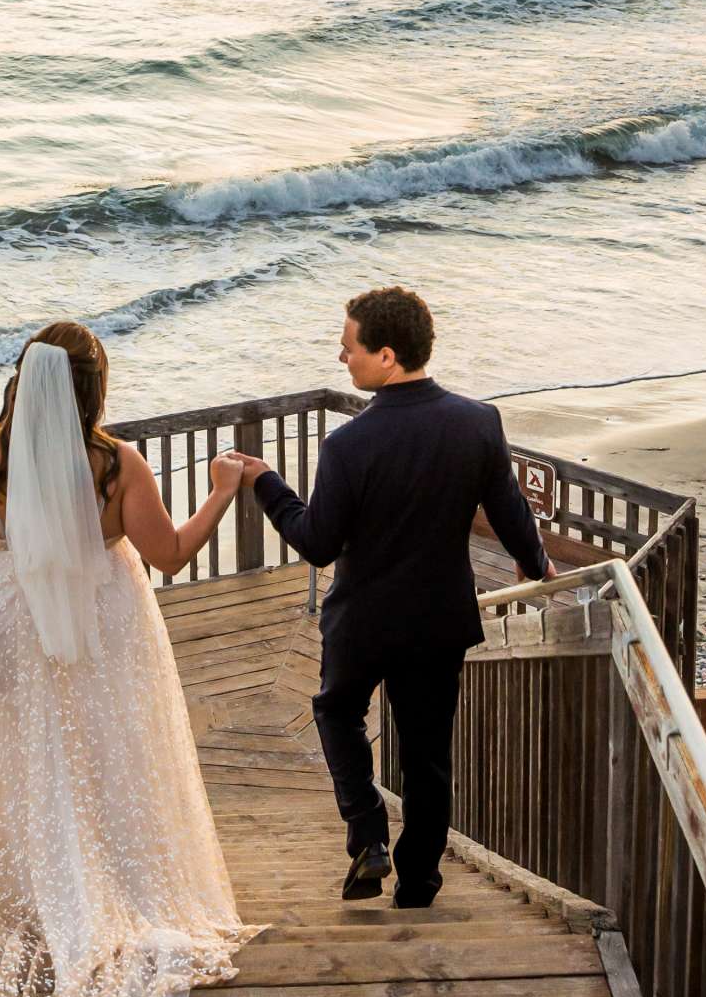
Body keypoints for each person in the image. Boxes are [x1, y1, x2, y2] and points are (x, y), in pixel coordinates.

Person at [0, 321, 260, 997]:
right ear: (92, 385)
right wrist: (223, 492)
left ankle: (48, 891)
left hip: (6, 625)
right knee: (105, 754)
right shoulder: (115, 465)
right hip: (101, 625)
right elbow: (169, 555)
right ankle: (106, 890)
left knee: (33, 759)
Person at [232, 287, 555, 907]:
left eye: (349, 346)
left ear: (385, 356)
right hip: (438, 617)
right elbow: (510, 510)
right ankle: (419, 885)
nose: (341, 355)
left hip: (364, 620)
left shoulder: (349, 444)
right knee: (428, 754)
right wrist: (536, 565)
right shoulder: (477, 422)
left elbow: (318, 542)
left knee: (334, 711)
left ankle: (367, 835)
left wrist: (266, 483)